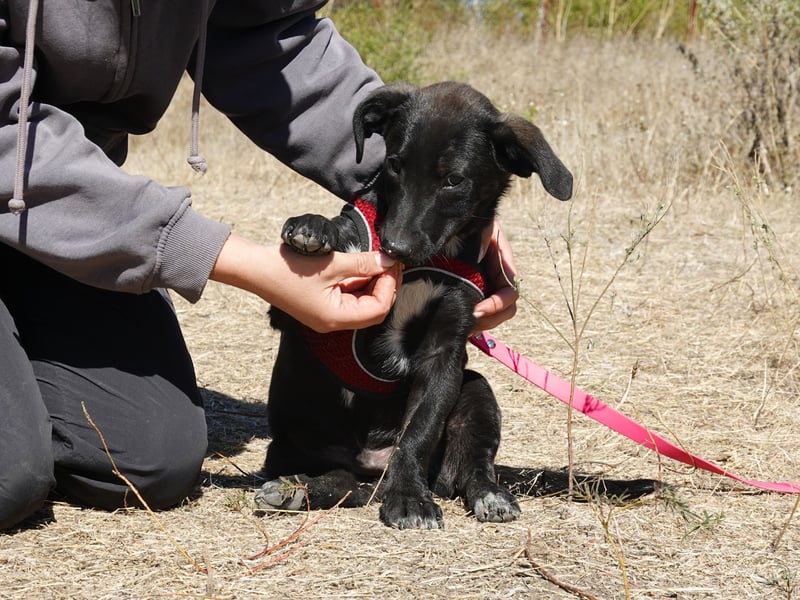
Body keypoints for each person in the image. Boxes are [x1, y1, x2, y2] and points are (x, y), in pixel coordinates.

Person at [0, 1, 518, 531]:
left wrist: (438, 202)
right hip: (14, 175)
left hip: (66, 217)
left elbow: (271, 40)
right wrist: (231, 259)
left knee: (145, 460)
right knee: (9, 477)